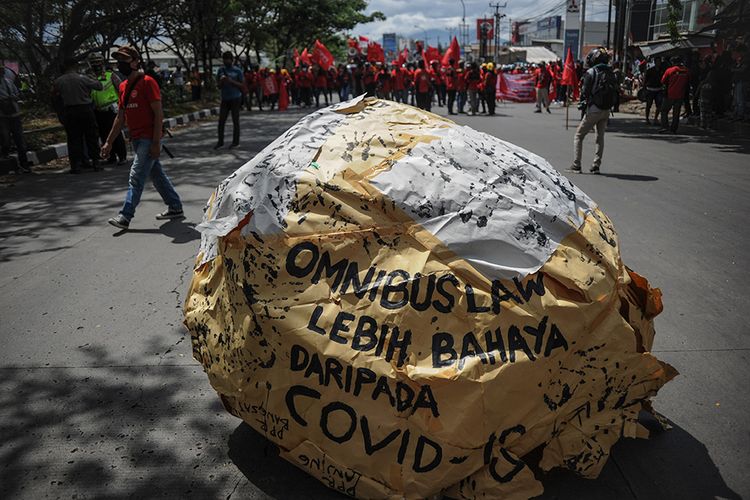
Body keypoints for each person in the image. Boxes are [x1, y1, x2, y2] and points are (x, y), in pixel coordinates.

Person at [103, 45, 183, 230]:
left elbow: (158, 115)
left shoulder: (148, 82)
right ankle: (175, 206)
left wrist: (156, 143)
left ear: (135, 62)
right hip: (136, 139)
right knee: (157, 175)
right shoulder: (123, 86)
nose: (120, 64)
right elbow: (120, 117)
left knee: (136, 175)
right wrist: (108, 141)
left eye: (124, 60)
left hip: (149, 138)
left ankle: (125, 215)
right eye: (118, 60)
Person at [569, 47, 617, 175]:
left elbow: (584, 93)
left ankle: (576, 165)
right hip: (606, 110)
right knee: (599, 138)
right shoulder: (610, 72)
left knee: (578, 136)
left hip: (594, 109)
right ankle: (596, 165)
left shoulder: (591, 72)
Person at [53, 57, 102, 174]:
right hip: (85, 109)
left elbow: (55, 97)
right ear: (75, 66)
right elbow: (99, 86)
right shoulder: (83, 78)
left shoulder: (58, 81)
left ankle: (76, 165)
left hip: (69, 111)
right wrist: (94, 77)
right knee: (91, 137)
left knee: (74, 138)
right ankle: (96, 162)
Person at [89, 54, 127, 165]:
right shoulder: (90, 79)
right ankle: (111, 156)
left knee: (116, 134)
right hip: (97, 110)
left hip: (112, 109)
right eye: (94, 63)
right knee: (104, 135)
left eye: (98, 63)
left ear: (102, 64)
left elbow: (122, 90)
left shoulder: (111, 76)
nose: (96, 66)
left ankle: (122, 156)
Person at [0, 58, 31, 173]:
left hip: (14, 113)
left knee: (20, 140)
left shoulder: (8, 82)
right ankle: (5, 155)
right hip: (2, 116)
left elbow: (17, 94)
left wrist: (15, 97)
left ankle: (24, 163)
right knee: (5, 139)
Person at [215, 51, 244, 149]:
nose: (226, 61)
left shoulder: (237, 71)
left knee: (235, 120)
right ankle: (220, 141)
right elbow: (218, 86)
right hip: (225, 98)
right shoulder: (221, 71)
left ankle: (235, 142)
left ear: (232, 60)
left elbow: (242, 85)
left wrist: (231, 81)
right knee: (221, 121)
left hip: (235, 98)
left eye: (228, 59)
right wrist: (222, 81)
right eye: (224, 59)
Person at [659, 56, 689, 134]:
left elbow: (662, 81)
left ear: (672, 62)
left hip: (670, 94)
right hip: (680, 95)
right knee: (676, 113)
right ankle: (673, 128)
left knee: (664, 110)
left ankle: (665, 127)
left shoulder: (670, 70)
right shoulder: (686, 71)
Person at [642, 57, 663, 125]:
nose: (658, 63)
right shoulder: (650, 70)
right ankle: (647, 119)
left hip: (659, 89)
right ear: (655, 62)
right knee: (648, 105)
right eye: (657, 62)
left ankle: (655, 118)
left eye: (659, 62)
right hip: (650, 89)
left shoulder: (661, 70)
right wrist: (644, 88)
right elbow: (645, 79)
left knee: (659, 105)